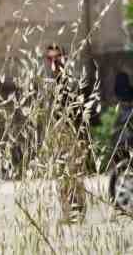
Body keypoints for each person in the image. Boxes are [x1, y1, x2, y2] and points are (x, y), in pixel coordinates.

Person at [42, 43, 99, 221]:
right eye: (51, 58)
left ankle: (78, 211)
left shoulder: (73, 82)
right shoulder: (47, 84)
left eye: (57, 58)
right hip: (57, 135)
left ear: (63, 58)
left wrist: (83, 137)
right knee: (62, 176)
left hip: (74, 134)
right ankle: (68, 212)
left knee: (75, 175)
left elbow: (84, 109)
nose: (54, 62)